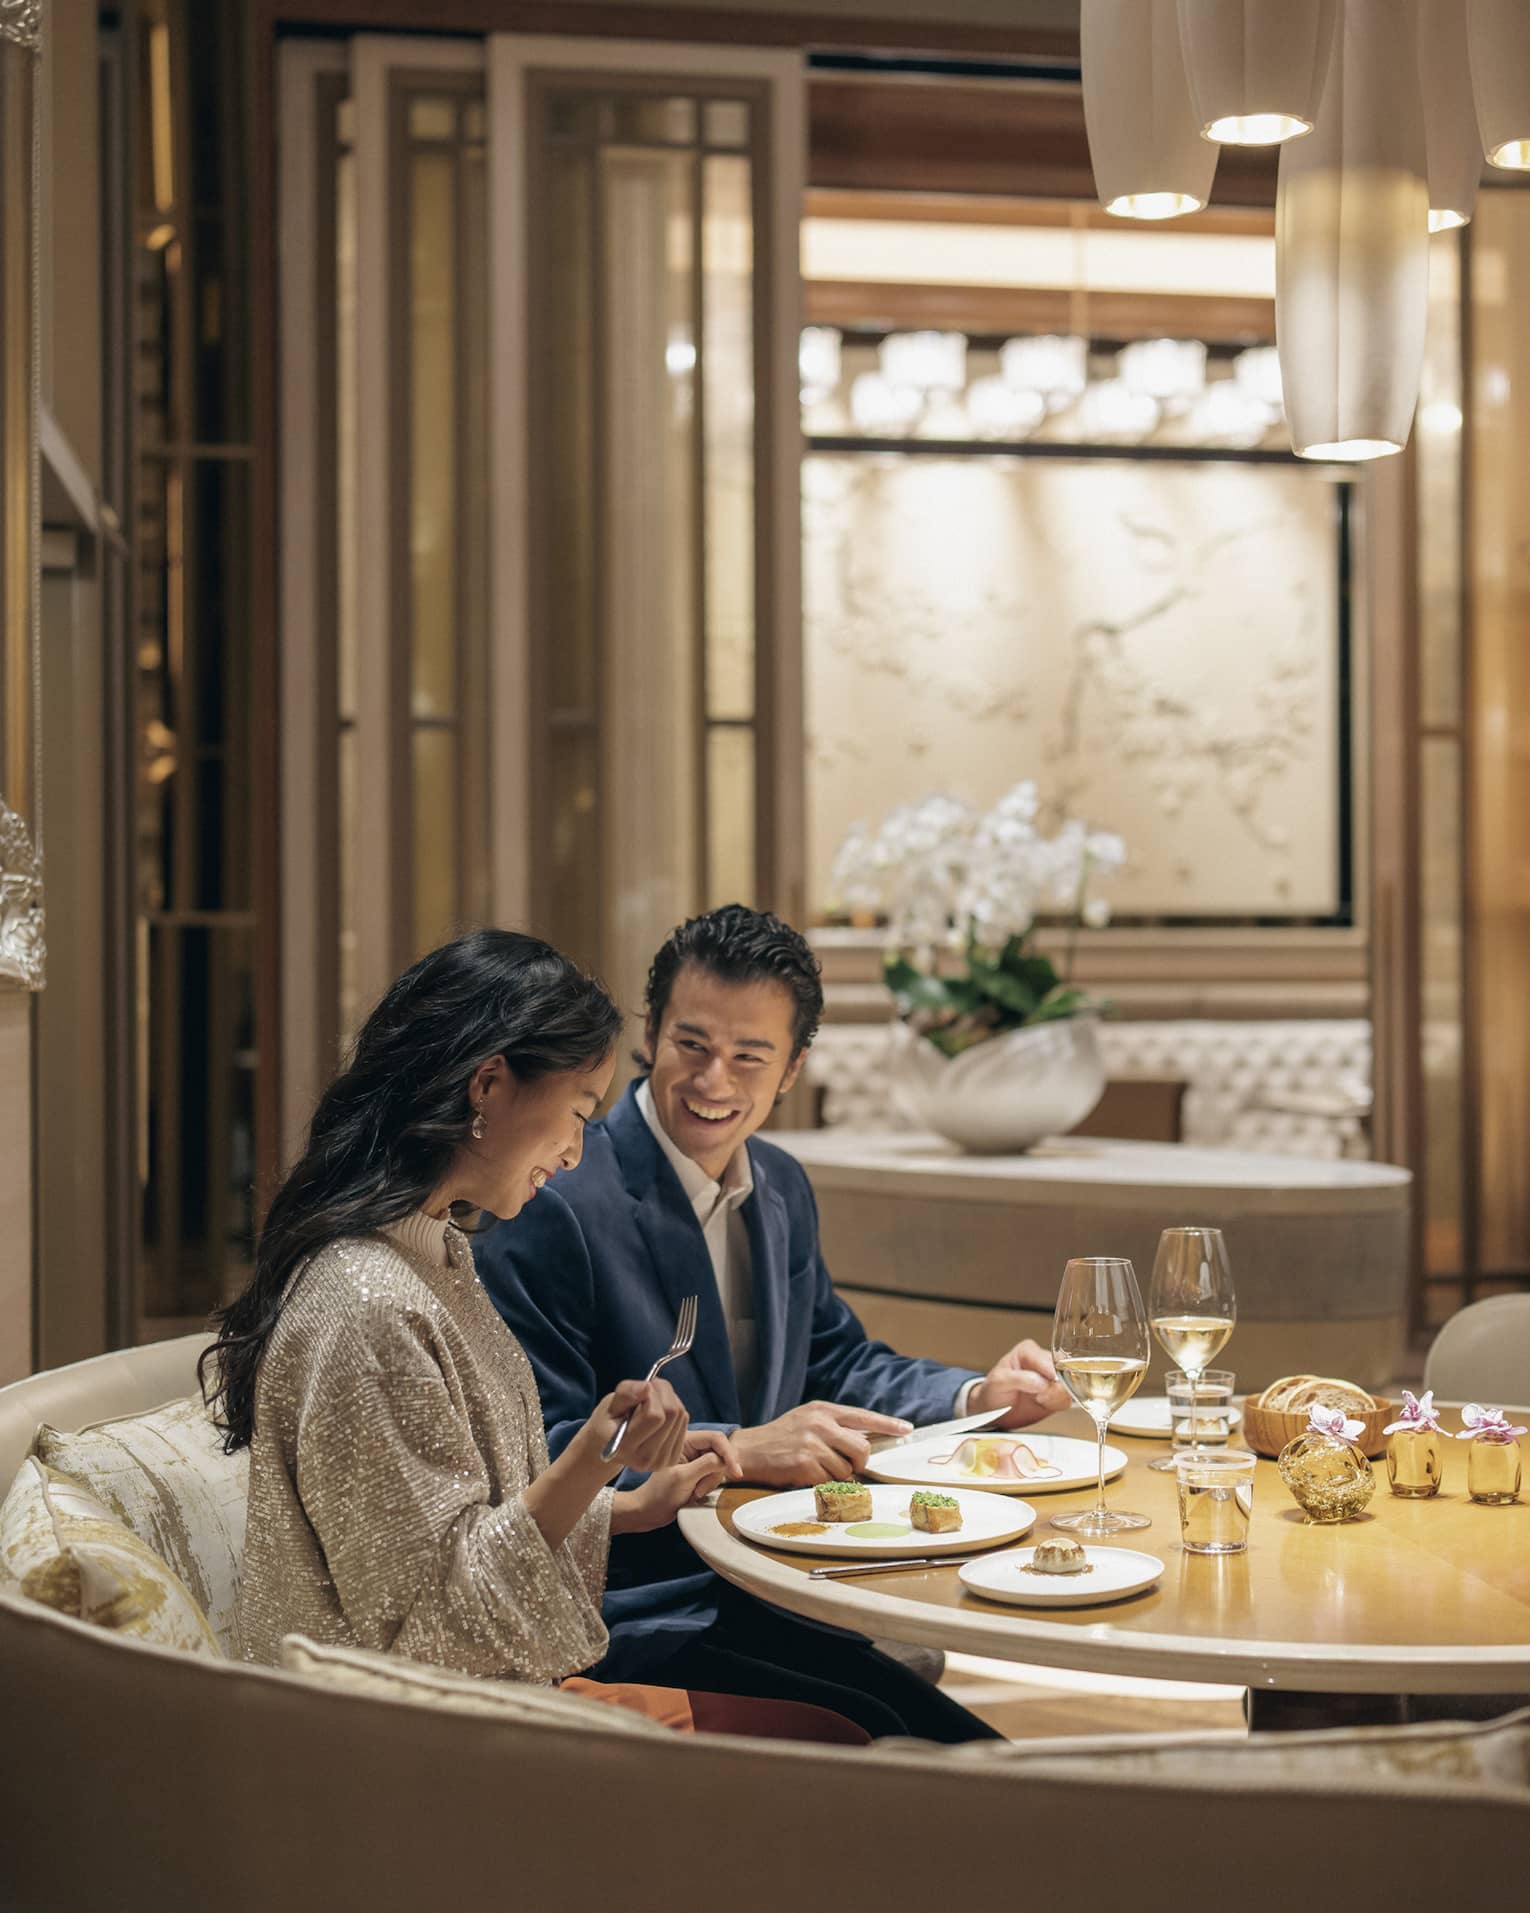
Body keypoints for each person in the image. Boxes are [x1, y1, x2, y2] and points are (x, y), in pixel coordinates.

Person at [202, 929, 866, 1743]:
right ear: (488, 1086)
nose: (578, 1148)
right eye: (579, 1112)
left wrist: (625, 1505)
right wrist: (593, 1459)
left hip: (483, 1699)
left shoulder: (434, 1252)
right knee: (849, 1744)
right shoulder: (369, 1302)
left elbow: (461, 1535)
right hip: (413, 1748)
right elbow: (435, 1626)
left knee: (866, 1725)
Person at [476, 904, 1070, 1742]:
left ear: (792, 1068)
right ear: (649, 1032)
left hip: (774, 1575)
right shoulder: (558, 1196)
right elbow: (537, 1444)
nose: (715, 1080)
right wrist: (742, 1448)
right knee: (916, 1745)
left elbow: (836, 1359)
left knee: (965, 1748)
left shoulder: (782, 1186)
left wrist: (978, 1392)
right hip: (640, 1605)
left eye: (749, 1055)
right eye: (692, 1044)